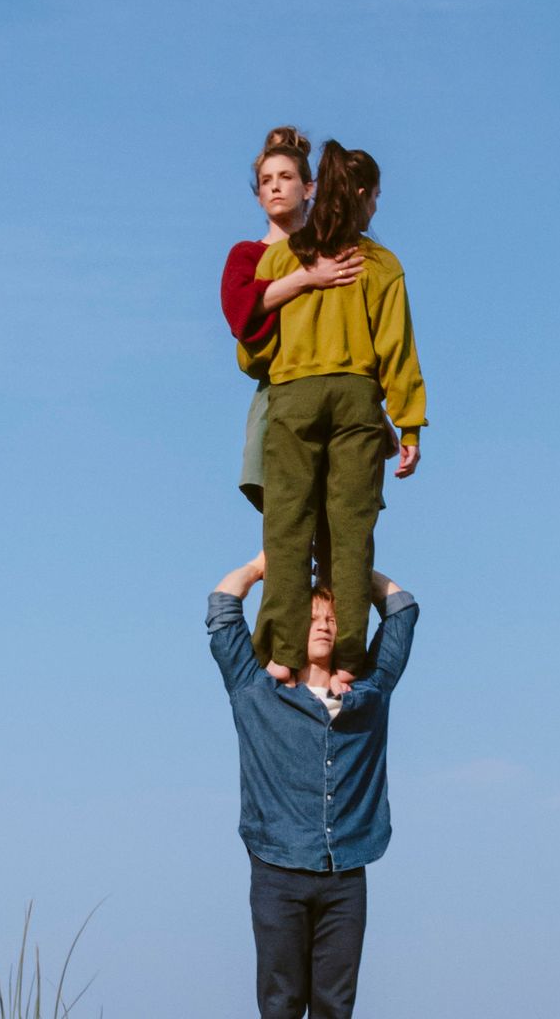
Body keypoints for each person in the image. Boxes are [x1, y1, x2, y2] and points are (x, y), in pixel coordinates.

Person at [240, 140, 427, 689]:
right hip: (356, 402)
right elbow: (398, 350)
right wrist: (409, 422)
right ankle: (347, 657)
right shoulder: (381, 263)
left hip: (295, 397)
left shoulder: (282, 257)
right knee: (349, 536)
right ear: (363, 195)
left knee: (288, 529)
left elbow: (250, 350)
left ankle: (281, 653)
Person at [206, 552, 420, 1019]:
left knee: (335, 1007)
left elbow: (402, 611)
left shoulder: (370, 695)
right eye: (311, 617)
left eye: (332, 618)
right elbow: (223, 609)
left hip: (346, 870)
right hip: (277, 869)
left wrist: (353, 575)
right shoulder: (256, 693)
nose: (323, 625)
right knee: (280, 1006)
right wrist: (265, 567)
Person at [220, 126, 366, 512]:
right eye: (266, 181)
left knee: (341, 517)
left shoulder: (333, 253)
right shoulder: (247, 254)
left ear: (309, 187)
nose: (275, 187)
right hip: (279, 390)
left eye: (286, 177)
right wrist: (305, 278)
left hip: (341, 391)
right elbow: (238, 313)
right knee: (287, 518)